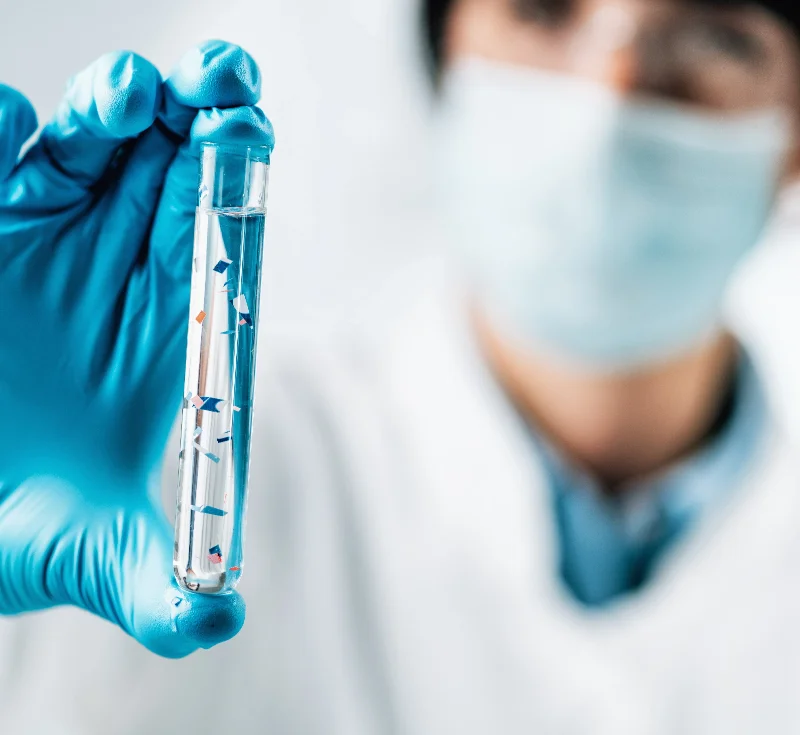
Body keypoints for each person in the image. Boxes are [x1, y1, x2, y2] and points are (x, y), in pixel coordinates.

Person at [2, 0, 800, 732]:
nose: (610, 95)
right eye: (542, 9)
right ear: (445, 64)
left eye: (713, 35)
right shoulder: (161, 478)